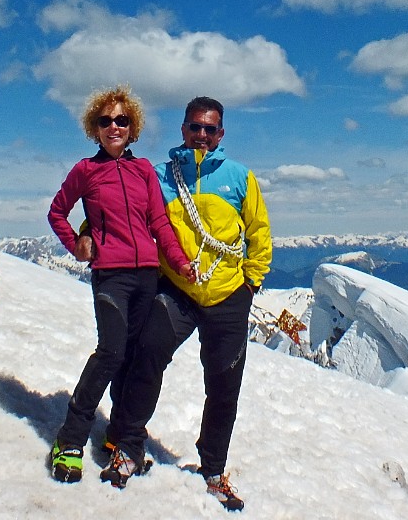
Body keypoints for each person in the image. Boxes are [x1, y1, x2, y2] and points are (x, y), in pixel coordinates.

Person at [101, 96, 272, 512]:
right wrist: (91, 228)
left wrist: (250, 282)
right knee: (146, 360)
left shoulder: (239, 178)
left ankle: (214, 470)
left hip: (228, 296)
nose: (201, 135)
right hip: (177, 290)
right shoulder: (160, 177)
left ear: (220, 134)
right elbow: (119, 208)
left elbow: (259, 233)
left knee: (223, 387)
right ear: (182, 129)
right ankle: (128, 448)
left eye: (209, 129)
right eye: (194, 127)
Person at [46, 86, 196, 484]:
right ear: (95, 128)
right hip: (110, 275)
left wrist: (179, 262)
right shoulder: (85, 171)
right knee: (111, 352)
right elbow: (57, 211)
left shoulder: (143, 169)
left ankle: (118, 434)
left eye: (122, 120)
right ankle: (70, 439)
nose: (114, 126)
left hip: (147, 273)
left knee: (132, 356)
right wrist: (75, 243)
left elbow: (159, 223)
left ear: (133, 128)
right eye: (105, 120)